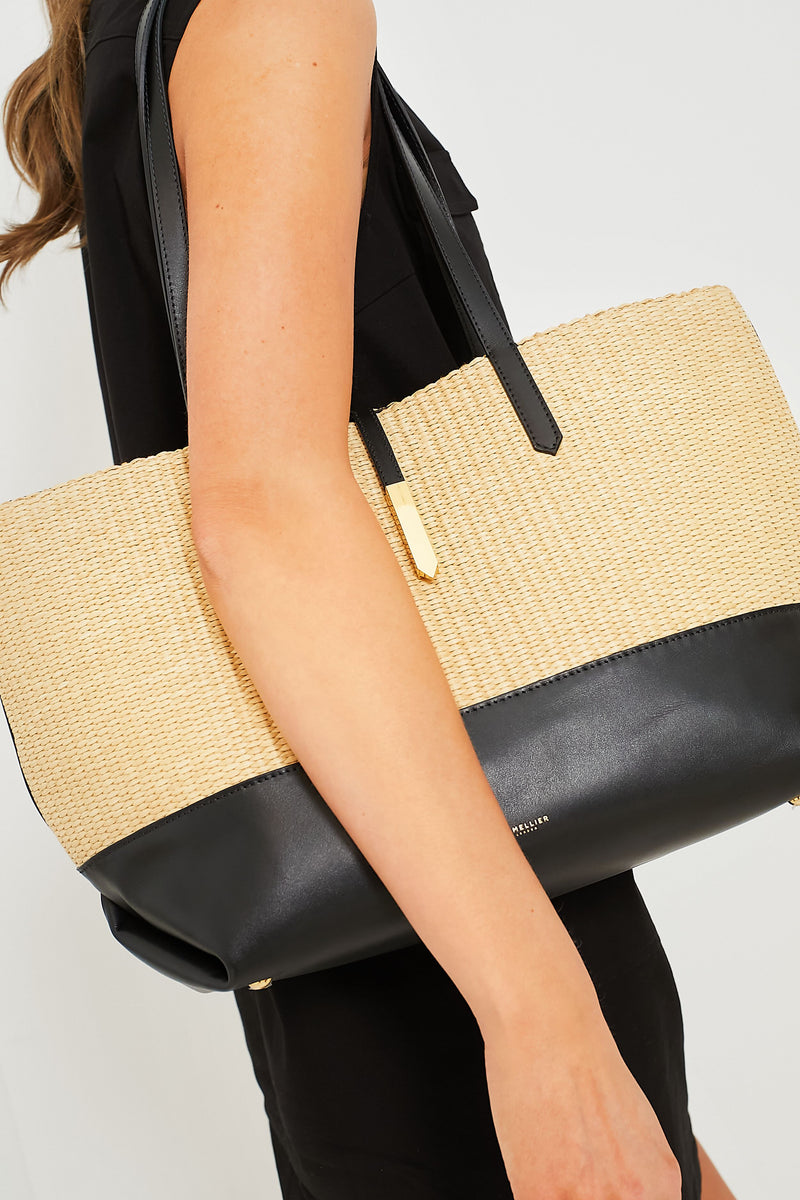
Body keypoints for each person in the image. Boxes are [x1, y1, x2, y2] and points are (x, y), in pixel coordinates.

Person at [0, 2, 739, 1197]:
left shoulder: (145, 31)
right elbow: (265, 514)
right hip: (463, 915)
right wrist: (543, 1022)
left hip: (377, 901)